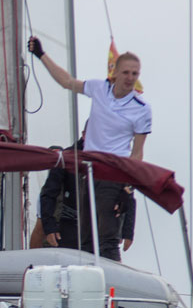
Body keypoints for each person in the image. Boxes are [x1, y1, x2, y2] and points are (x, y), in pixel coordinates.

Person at [28, 36, 151, 260]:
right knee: (86, 239)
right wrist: (41, 55)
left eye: (135, 73)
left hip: (113, 173)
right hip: (89, 173)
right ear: (115, 72)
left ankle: (112, 283)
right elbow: (67, 82)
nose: (130, 78)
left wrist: (128, 189)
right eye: (126, 72)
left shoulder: (141, 109)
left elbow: (137, 153)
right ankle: (87, 283)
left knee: (106, 239)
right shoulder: (99, 88)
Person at [38, 140, 138, 260]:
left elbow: (128, 193)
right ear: (85, 134)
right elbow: (48, 194)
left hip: (105, 224)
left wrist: (127, 231)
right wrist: (50, 228)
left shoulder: (114, 159)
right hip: (68, 223)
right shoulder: (67, 157)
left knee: (107, 256)